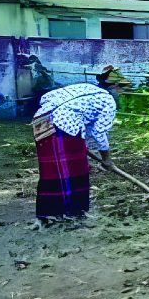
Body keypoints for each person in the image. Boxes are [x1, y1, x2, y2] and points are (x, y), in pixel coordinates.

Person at [30, 68, 130, 224]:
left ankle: (49, 214)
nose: (121, 92)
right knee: (76, 170)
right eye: (121, 88)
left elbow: (46, 98)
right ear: (114, 86)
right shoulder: (108, 101)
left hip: (41, 119)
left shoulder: (86, 88)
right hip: (65, 123)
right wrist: (107, 159)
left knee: (51, 171)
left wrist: (82, 143)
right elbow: (99, 132)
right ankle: (73, 213)